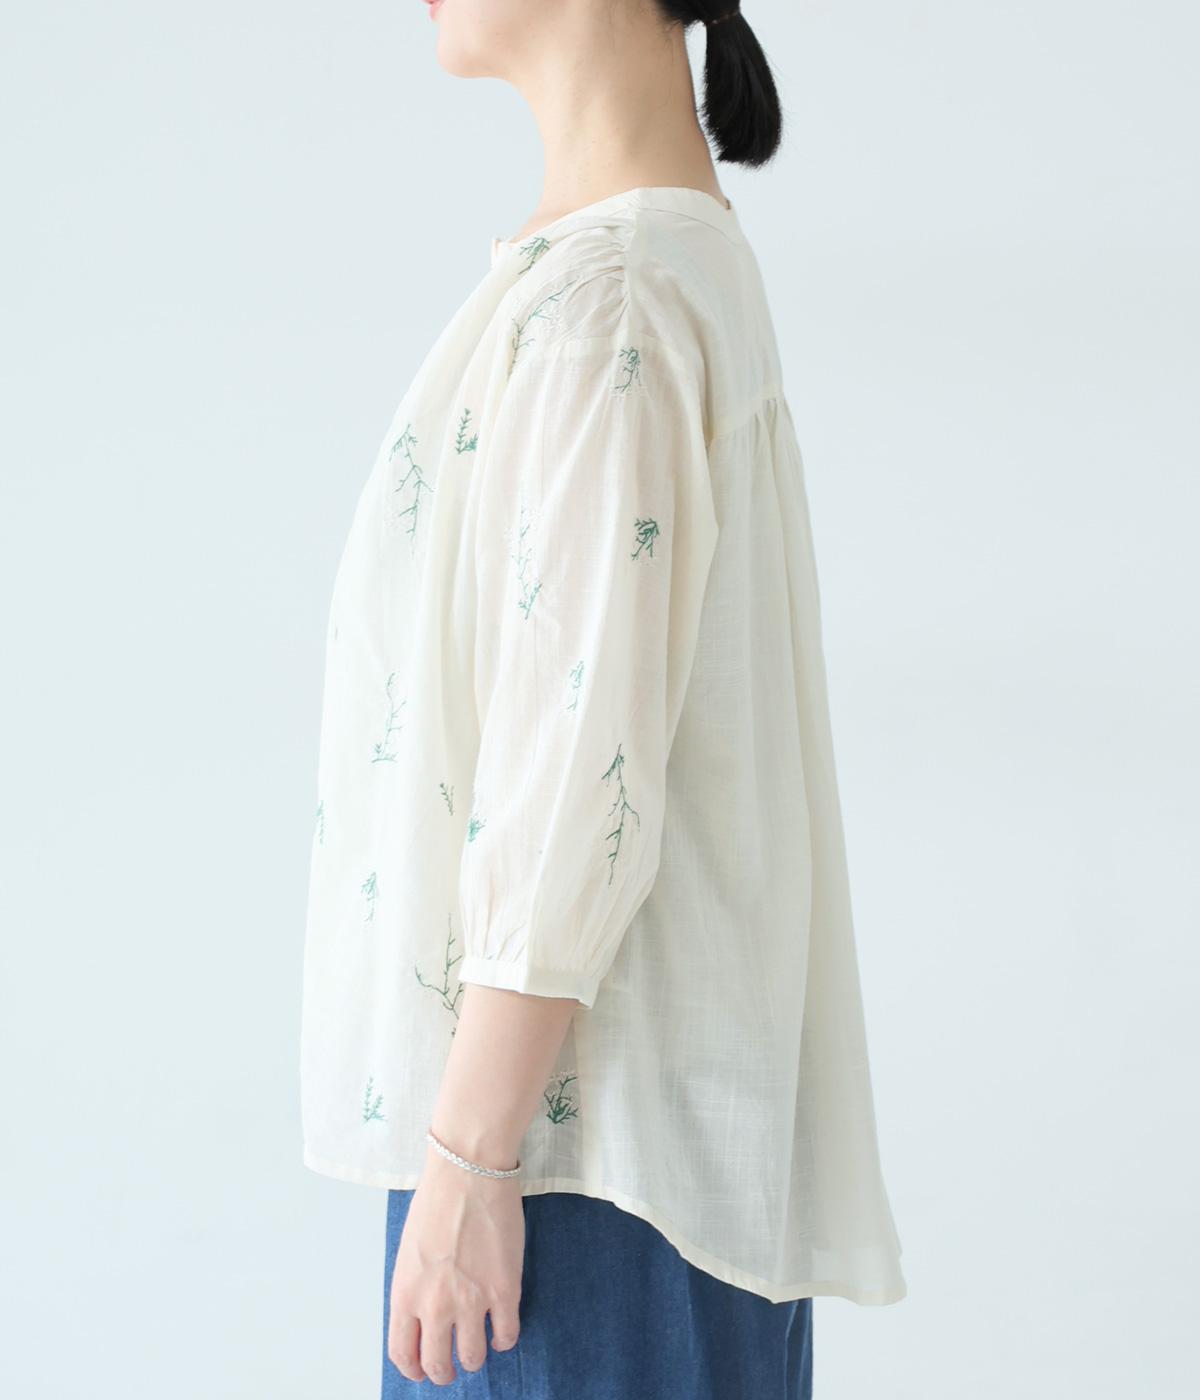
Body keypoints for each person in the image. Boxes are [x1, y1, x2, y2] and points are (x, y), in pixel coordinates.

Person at [299, 1, 907, 1394]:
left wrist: (468, 1157)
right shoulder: (654, 272)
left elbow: (576, 779)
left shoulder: (611, 305)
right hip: (614, 1154)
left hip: (565, 1169)